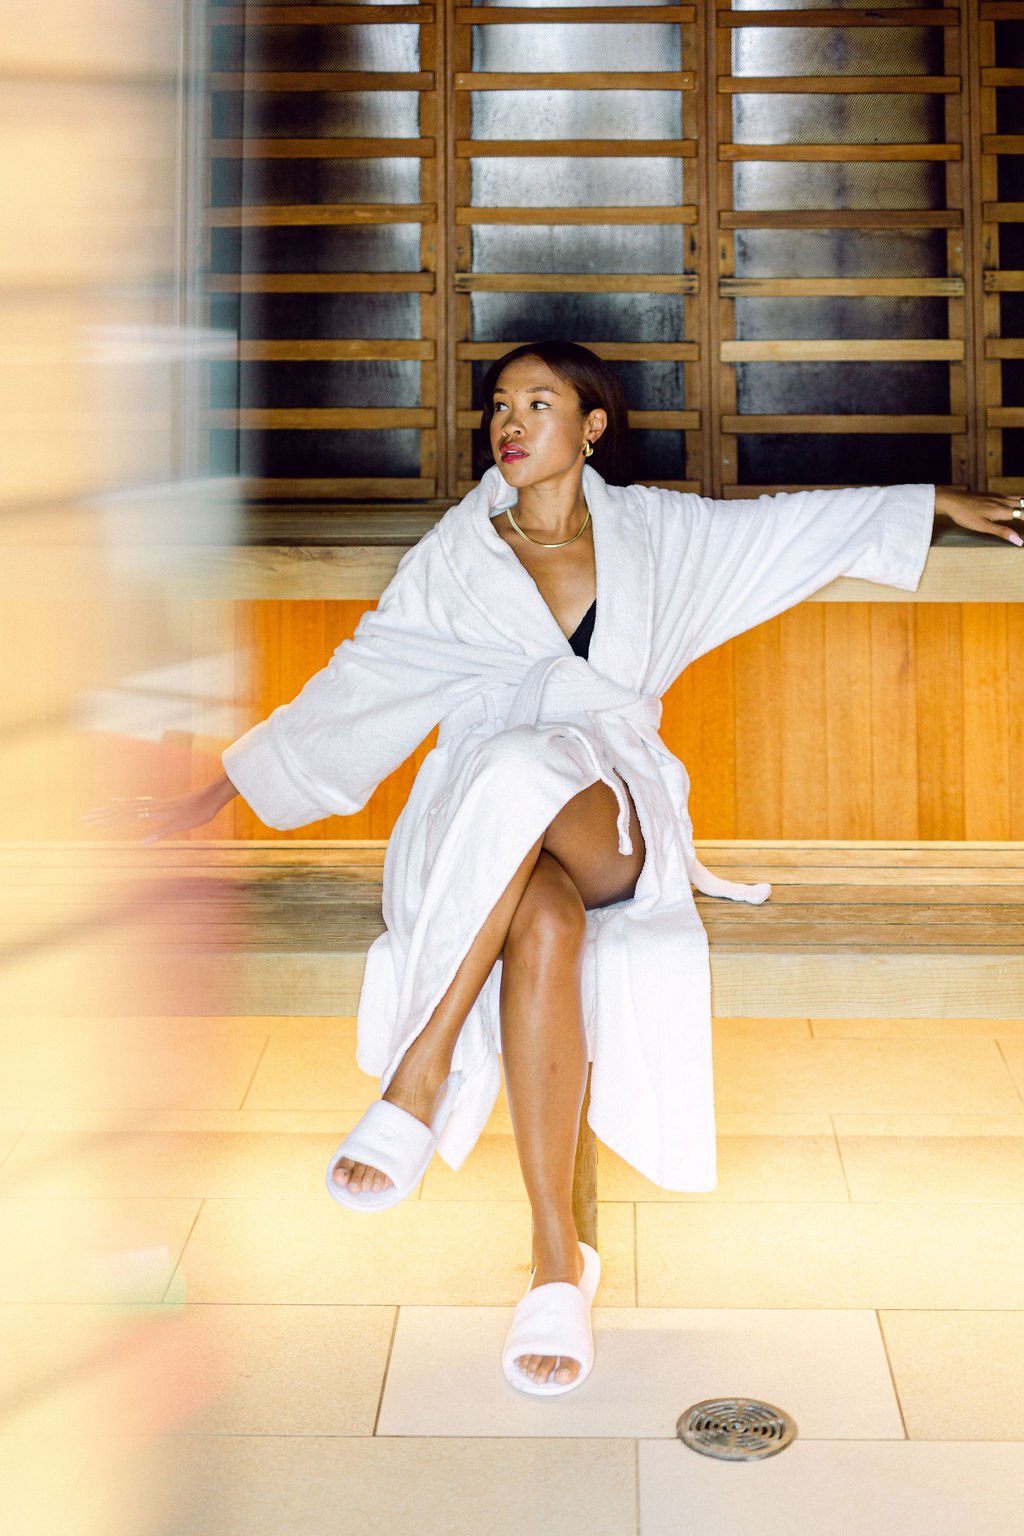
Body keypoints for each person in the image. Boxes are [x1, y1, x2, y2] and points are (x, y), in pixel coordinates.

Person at [85, 341, 1024, 1398]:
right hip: (479, 838)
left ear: (590, 428)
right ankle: (554, 1261)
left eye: (539, 402)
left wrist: (936, 499)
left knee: (523, 763)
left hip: (606, 816)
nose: (510, 422)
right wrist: (219, 788)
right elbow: (359, 683)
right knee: (539, 914)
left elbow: (789, 527)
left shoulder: (658, 534)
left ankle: (419, 1071)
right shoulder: (457, 555)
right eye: (498, 404)